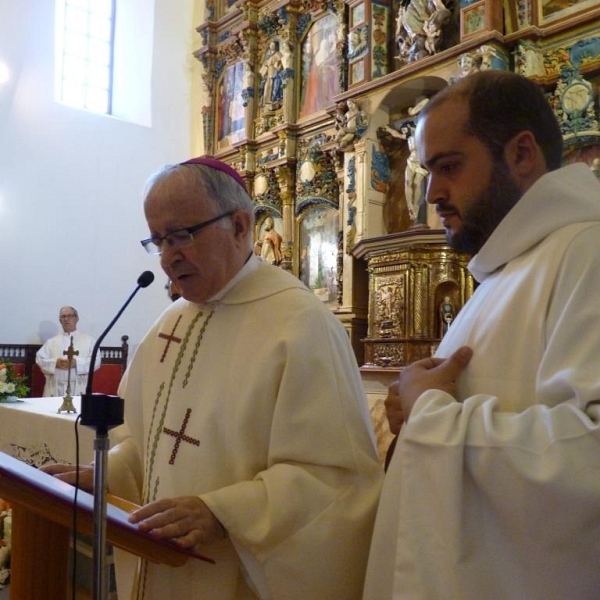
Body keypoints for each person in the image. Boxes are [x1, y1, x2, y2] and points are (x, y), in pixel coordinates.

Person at [45, 157, 382, 600]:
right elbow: (148, 446)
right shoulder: (170, 323)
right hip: (160, 563)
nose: (168, 257)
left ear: (241, 226)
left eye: (182, 235)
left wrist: (221, 513)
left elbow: (335, 481)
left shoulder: (300, 325)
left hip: (235, 578)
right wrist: (106, 475)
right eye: (158, 240)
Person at [363, 70, 600, 599]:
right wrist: (414, 408)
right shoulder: (511, 263)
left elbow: (590, 462)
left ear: (521, 154)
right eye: (427, 171)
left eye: (448, 167)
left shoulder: (588, 253)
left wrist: (434, 417)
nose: (432, 194)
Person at [35, 306, 100, 397]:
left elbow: (96, 361)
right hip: (55, 388)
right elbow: (40, 359)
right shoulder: (51, 342)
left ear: (76, 319)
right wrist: (55, 362)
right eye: (63, 317)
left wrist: (76, 363)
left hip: (78, 388)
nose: (66, 319)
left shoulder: (89, 341)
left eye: (69, 316)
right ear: (60, 320)